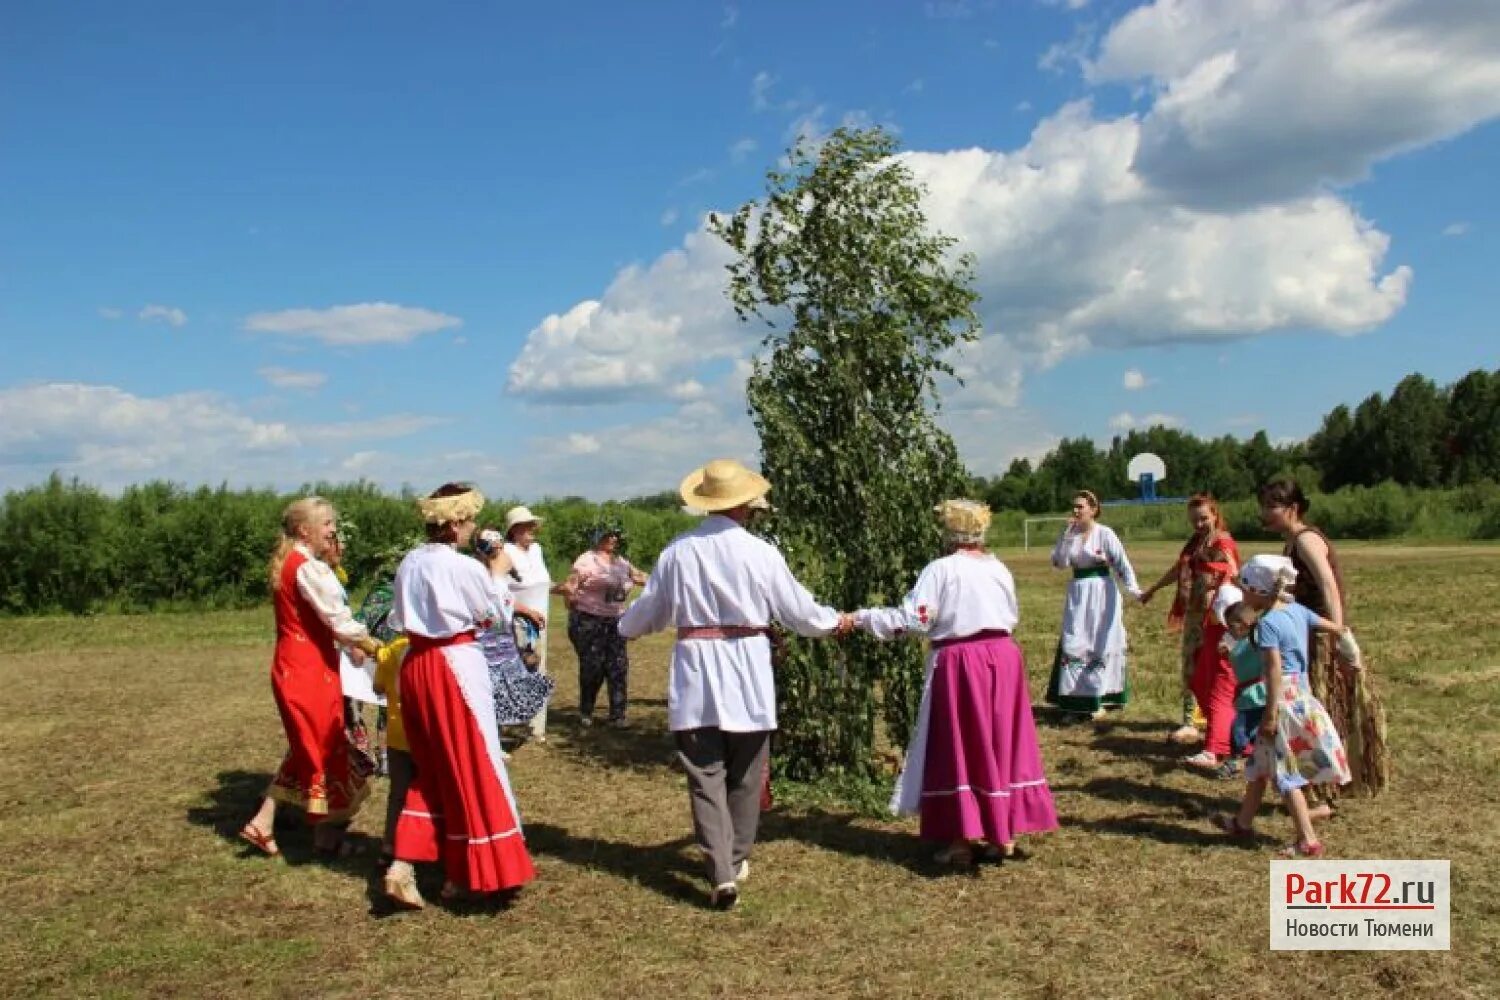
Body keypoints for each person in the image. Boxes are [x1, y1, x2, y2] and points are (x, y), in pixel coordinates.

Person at [617, 459, 849, 910]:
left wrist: (624, 626)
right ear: (745, 503)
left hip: (697, 670)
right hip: (747, 668)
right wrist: (832, 622)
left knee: (704, 774)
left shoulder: (677, 552)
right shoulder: (760, 552)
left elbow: (651, 612)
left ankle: (721, 870)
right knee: (745, 771)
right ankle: (735, 857)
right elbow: (797, 610)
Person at [853, 499, 1058, 865]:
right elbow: (1011, 613)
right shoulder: (998, 568)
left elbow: (915, 618)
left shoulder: (942, 568)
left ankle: (962, 840)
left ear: (950, 534)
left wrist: (864, 618)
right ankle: (1001, 834)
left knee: (960, 743)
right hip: (1004, 657)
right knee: (999, 741)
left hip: (963, 662)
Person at [383, 483, 536, 909]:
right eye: (467, 521)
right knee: (473, 763)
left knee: (432, 767)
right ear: (452, 524)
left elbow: (400, 616)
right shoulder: (462, 567)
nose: (470, 528)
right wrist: (499, 571)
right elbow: (494, 614)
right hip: (453, 665)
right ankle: (475, 871)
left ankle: (406, 863)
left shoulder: (410, 562)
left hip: (416, 665)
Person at [240, 497, 381, 859]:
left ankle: (307, 832)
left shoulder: (294, 562)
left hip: (301, 665)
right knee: (319, 747)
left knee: (316, 747)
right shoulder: (306, 567)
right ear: (305, 529)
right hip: (306, 670)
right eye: (328, 523)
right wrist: (373, 645)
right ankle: (272, 822)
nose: (334, 529)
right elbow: (337, 618)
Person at [1216, 556, 1353, 857]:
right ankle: (1242, 823)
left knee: (1284, 773)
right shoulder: (1297, 610)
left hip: (1281, 700)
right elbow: (1333, 627)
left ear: (1260, 591)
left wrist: (1270, 713)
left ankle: (1308, 839)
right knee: (1259, 767)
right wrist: (1347, 644)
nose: (1244, 596)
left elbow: (1274, 671)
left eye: (1246, 590)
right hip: (1301, 696)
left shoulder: (1266, 625)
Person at [1259, 478, 1389, 795]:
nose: (1264, 514)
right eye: (1262, 506)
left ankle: (1328, 785)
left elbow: (1329, 586)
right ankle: (1321, 783)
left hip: (1321, 635)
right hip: (1306, 633)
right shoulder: (1291, 542)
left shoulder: (1305, 540)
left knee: (1322, 707)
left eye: (1270, 507)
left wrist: (1340, 637)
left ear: (1292, 508)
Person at [1140, 493, 1241, 765]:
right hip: (1195, 616)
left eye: (1204, 518)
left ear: (1215, 515)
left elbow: (1232, 573)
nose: (1198, 524)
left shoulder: (1222, 542)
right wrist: (1154, 588)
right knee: (1191, 668)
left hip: (1215, 618)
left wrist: (1221, 599)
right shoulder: (1196, 543)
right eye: (1194, 520)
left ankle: (1216, 727)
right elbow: (1179, 569)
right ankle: (1195, 720)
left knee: (1211, 671)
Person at [1044, 490, 1143, 720]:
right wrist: (1067, 537)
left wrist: (1134, 590)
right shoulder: (1070, 534)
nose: (1076, 511)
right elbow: (1059, 562)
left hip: (1102, 592)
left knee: (1101, 642)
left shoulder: (1105, 533)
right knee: (1075, 641)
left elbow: (1121, 563)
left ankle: (1099, 698)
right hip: (1079, 594)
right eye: (1074, 507)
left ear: (1093, 509)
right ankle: (1074, 701)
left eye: (1081, 507)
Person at [473, 528, 555, 749]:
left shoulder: (497, 576)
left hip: (502, 641)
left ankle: (496, 737)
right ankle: (489, 743)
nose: (501, 553)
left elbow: (506, 599)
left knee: (502, 688)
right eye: (496, 549)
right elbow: (490, 603)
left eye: (501, 547)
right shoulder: (476, 574)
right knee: (488, 690)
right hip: (483, 643)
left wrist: (526, 611)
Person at [560, 522, 647, 729]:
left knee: (618, 667)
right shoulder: (586, 560)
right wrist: (571, 602)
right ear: (597, 536)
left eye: (616, 535)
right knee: (593, 668)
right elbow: (571, 585)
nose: (614, 538)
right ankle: (586, 711)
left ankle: (618, 715)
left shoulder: (621, 562)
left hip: (616, 621)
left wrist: (663, 582)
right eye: (609, 535)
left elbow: (639, 576)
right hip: (589, 620)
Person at [502, 505, 554, 743]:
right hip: (517, 623)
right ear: (514, 530)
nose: (531, 529)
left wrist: (565, 588)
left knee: (538, 669)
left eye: (532, 525)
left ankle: (536, 727)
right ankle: (507, 724)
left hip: (540, 620)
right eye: (526, 525)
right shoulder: (505, 553)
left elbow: (543, 583)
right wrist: (525, 611)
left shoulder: (537, 550)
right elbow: (498, 591)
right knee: (515, 671)